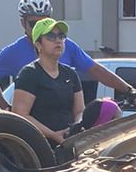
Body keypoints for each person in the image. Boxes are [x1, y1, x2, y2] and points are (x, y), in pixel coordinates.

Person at [0, 0, 136, 111]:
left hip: (65, 119)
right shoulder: (14, 52)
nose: (40, 28)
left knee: (109, 109)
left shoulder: (66, 45)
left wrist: (128, 89)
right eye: (34, 23)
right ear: (23, 23)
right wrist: (5, 107)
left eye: (45, 23)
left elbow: (95, 70)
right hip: (35, 126)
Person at [11, 19, 84, 149]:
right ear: (38, 44)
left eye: (61, 36)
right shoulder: (29, 74)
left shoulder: (70, 74)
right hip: (40, 147)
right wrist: (52, 134)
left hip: (69, 144)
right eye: (51, 36)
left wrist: (76, 127)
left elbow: (79, 110)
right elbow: (21, 114)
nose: (58, 40)